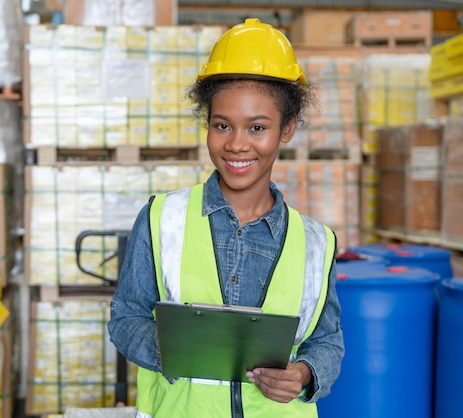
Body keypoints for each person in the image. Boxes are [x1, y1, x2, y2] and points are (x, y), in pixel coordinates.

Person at [108, 18, 344, 417]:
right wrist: (178, 351)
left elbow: (327, 342)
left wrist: (303, 373)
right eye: (222, 125)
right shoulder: (162, 218)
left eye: (257, 127)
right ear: (207, 124)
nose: (237, 143)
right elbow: (126, 318)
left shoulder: (316, 241)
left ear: (286, 129)